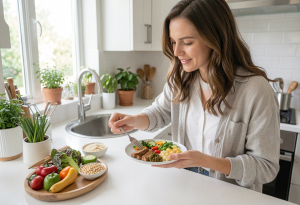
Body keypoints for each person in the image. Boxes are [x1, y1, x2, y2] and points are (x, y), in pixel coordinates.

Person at [108, 0, 280, 192]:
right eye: (173, 42)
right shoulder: (182, 78)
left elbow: (266, 167)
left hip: (230, 196)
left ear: (216, 37)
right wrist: (134, 120)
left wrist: (209, 162)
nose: (176, 52)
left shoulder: (255, 90)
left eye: (187, 42)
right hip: (186, 188)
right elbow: (161, 111)